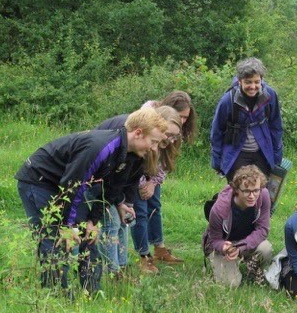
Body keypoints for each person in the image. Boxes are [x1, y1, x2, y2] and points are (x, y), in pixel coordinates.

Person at [15, 108, 168, 293]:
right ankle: (56, 297)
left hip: (67, 186)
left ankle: (92, 294)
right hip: (40, 180)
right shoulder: (101, 146)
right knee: (55, 239)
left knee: (89, 236)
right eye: (153, 141)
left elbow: (111, 189)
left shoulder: (129, 155)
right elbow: (73, 184)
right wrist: (68, 224)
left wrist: (92, 221)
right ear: (138, 133)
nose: (154, 148)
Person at [96, 104, 185, 276]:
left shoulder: (155, 141)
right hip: (104, 177)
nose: (171, 140)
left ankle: (121, 267)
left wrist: (127, 202)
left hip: (124, 181)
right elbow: (119, 170)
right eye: (169, 134)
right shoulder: (137, 133)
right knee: (112, 222)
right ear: (158, 127)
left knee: (124, 221)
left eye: (175, 136)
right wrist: (120, 201)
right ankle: (113, 272)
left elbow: (136, 173)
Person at [133, 92, 197, 273]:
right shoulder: (147, 121)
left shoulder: (176, 130)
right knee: (140, 212)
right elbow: (134, 159)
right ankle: (144, 256)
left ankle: (159, 249)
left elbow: (167, 160)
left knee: (155, 207)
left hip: (154, 174)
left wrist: (153, 182)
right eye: (180, 116)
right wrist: (142, 184)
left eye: (186, 117)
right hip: (137, 173)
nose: (183, 121)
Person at [210, 57, 283, 181]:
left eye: (256, 82)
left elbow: (276, 126)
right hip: (236, 153)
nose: (253, 86)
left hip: (262, 152)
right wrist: (217, 162)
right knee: (239, 193)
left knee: (261, 192)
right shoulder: (227, 100)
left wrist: (277, 156)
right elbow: (216, 131)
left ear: (262, 80)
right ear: (240, 81)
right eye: (248, 82)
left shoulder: (270, 95)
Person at [202, 165, 273, 287]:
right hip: (224, 246)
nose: (252, 196)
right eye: (246, 191)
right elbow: (214, 240)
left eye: (255, 190)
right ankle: (216, 264)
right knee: (231, 284)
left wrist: (240, 247)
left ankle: (253, 270)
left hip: (245, 243)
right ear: (236, 190)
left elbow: (263, 230)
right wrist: (223, 247)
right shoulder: (219, 209)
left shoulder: (264, 196)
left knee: (266, 249)